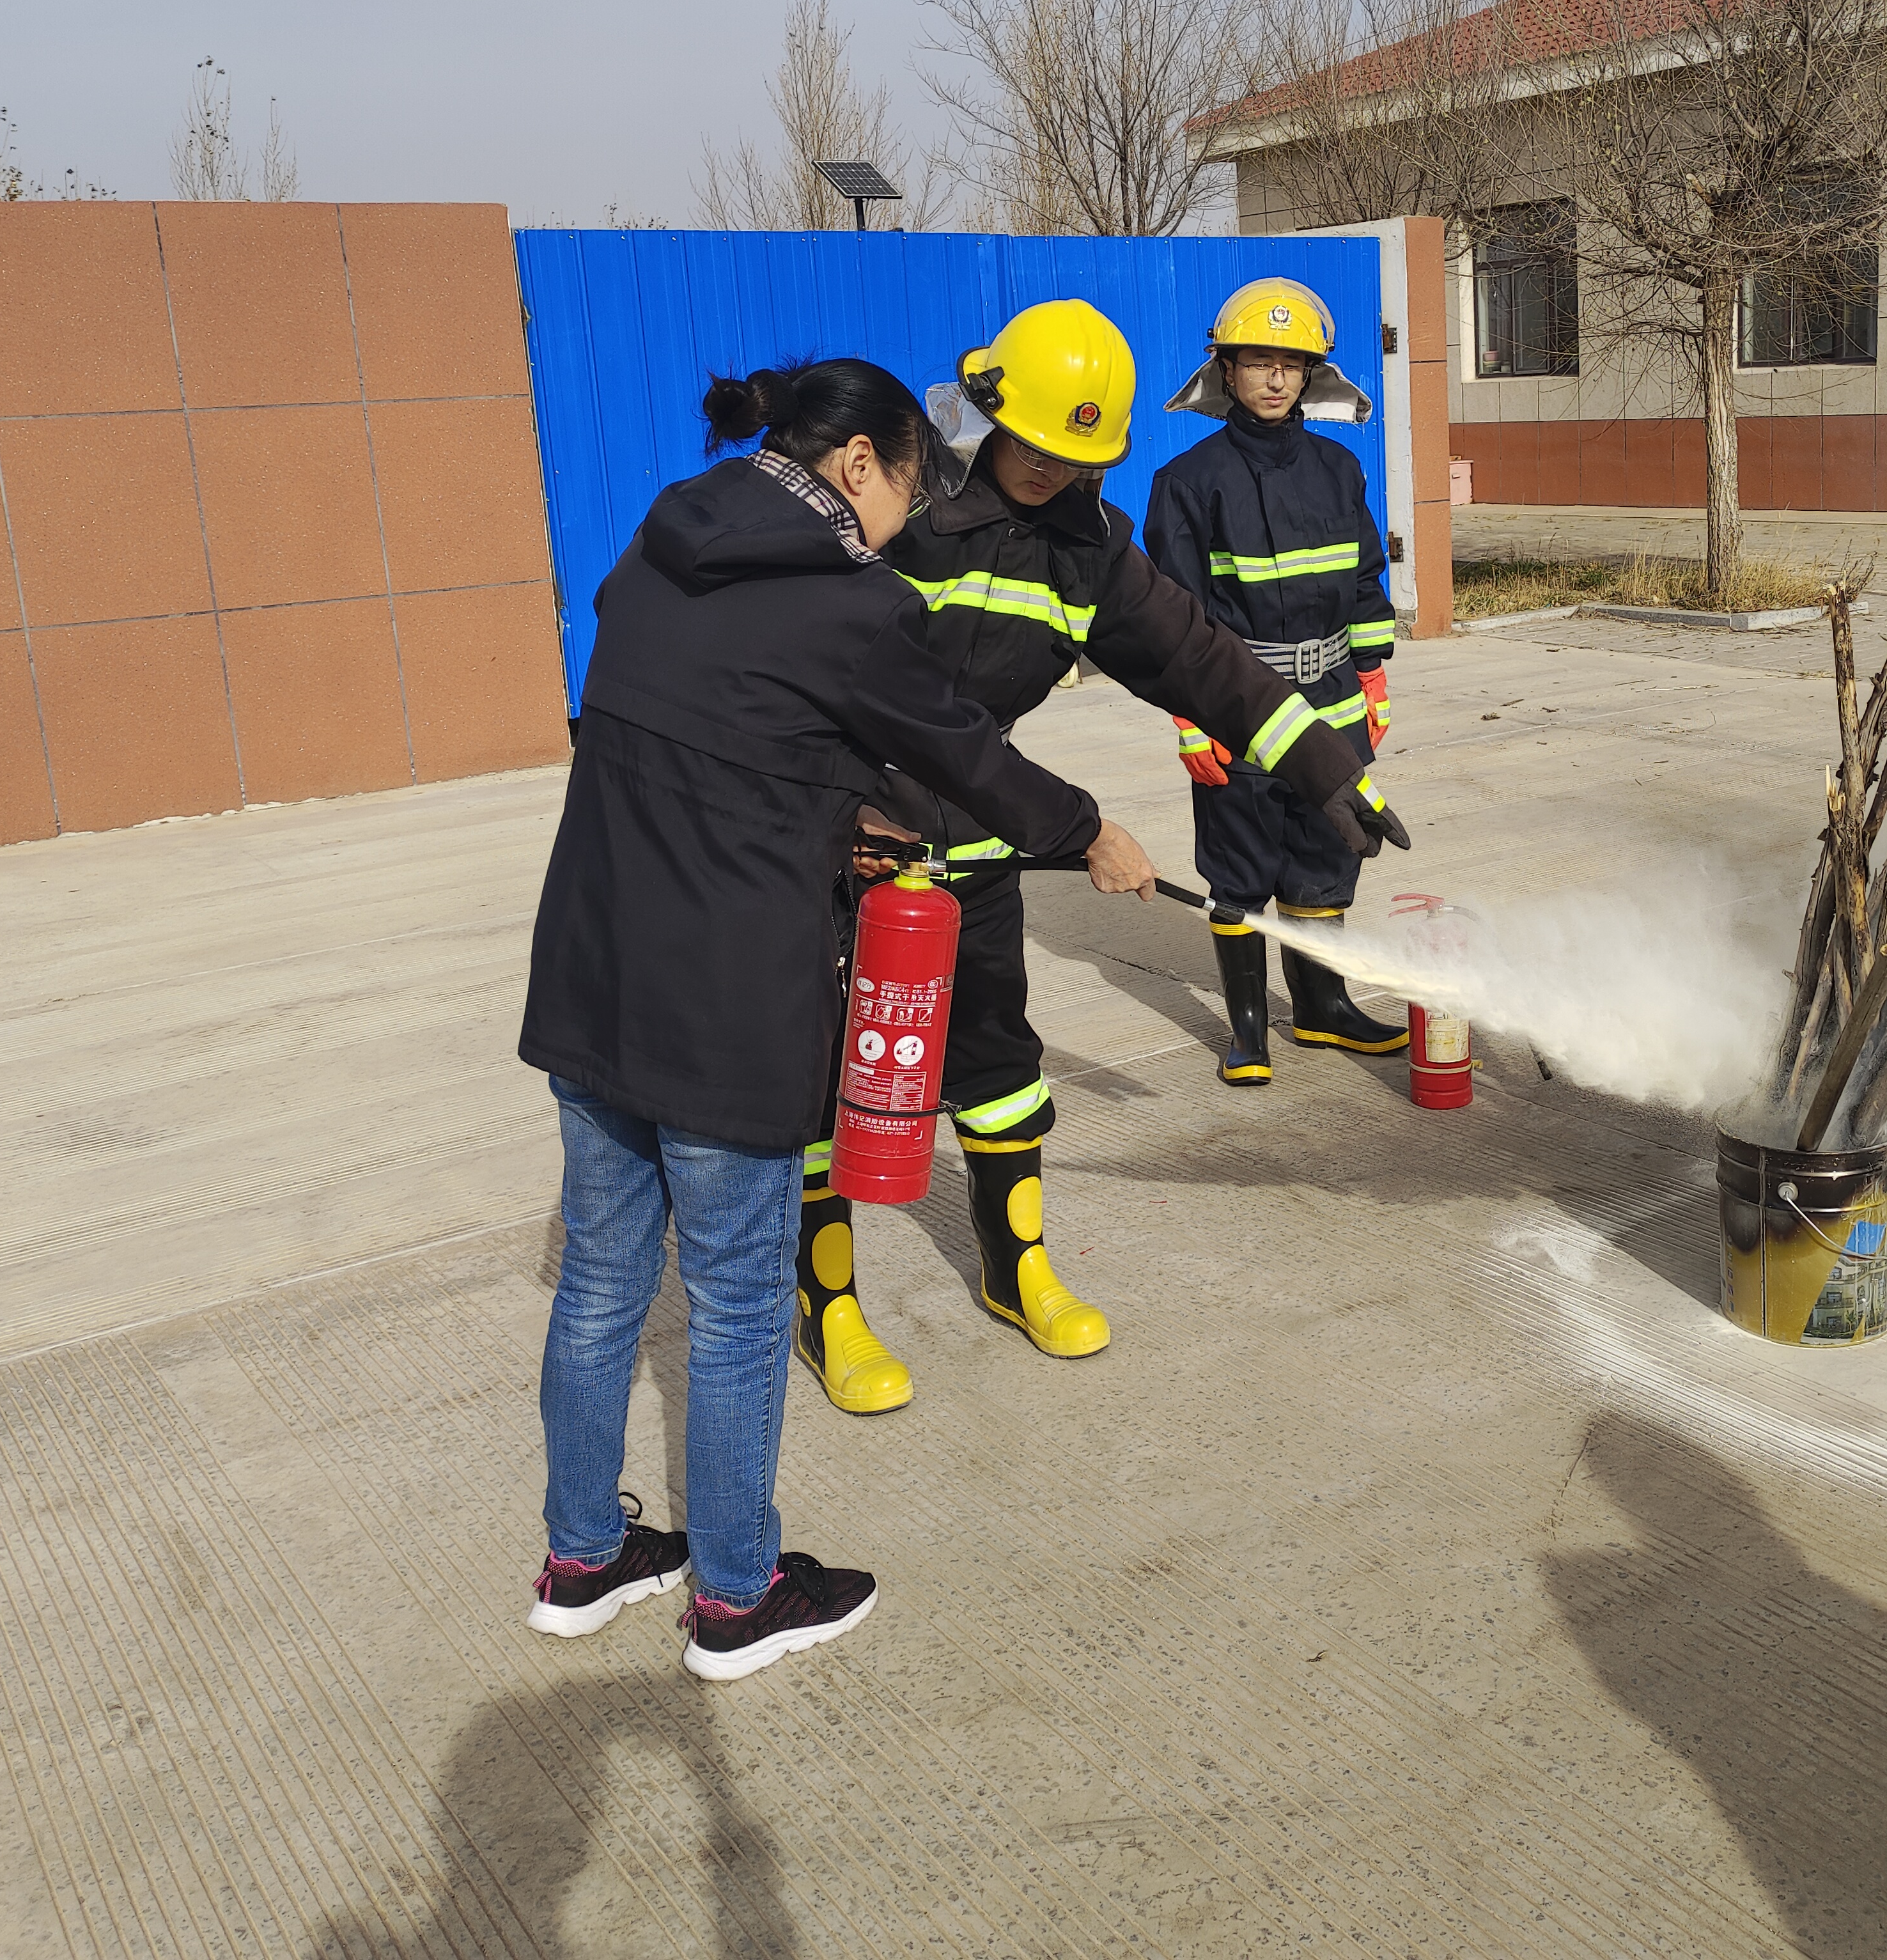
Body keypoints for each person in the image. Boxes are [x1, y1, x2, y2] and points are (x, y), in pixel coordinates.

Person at [516, 357, 1158, 1680]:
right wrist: (1089, 831)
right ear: (859, 463)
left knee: (598, 1289)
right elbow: (961, 755)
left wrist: (829, 810)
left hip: (593, 973)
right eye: (905, 494)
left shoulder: (658, 543)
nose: (901, 527)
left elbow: (716, 732)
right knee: (742, 1306)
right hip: (724, 1010)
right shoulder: (846, 602)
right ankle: (739, 1598)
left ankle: (582, 1561)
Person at [789, 298, 1408, 1417]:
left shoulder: (1091, 549)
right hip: (840, 852)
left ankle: (1011, 1261)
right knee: (829, 1078)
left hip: (974, 850)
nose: (1052, 474)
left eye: (1080, 458)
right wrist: (858, 816)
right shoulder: (904, 518)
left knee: (995, 1066)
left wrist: (1327, 770)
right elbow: (811, 682)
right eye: (1036, 448)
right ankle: (823, 1298)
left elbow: (1203, 663)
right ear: (990, 415)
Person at [1144, 277, 1407, 1085]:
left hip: (1332, 701)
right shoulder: (1188, 480)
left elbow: (1366, 577)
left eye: (1291, 363)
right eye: (1258, 361)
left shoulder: (1338, 468)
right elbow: (1173, 617)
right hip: (1239, 705)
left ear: (1311, 373)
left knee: (1327, 856)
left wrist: (1373, 676)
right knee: (1241, 866)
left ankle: (1323, 1011)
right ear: (1226, 371)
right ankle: (1250, 1031)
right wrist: (1192, 721)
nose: (1276, 378)